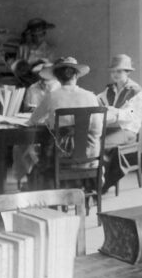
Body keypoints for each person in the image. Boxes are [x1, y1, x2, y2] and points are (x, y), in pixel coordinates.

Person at [19, 56, 101, 189]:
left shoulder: (52, 96)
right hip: (89, 156)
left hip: (61, 156)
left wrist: (50, 121)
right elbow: (98, 129)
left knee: (38, 152)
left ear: (57, 77)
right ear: (77, 76)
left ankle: (48, 189)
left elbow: (33, 120)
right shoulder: (90, 96)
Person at [97, 54, 142, 193]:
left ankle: (103, 184)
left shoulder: (136, 91)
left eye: (119, 71)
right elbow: (98, 100)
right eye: (113, 71)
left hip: (128, 130)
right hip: (112, 128)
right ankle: (94, 180)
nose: (115, 74)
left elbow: (131, 115)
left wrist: (114, 111)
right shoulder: (110, 89)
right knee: (92, 141)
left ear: (127, 72)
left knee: (100, 144)